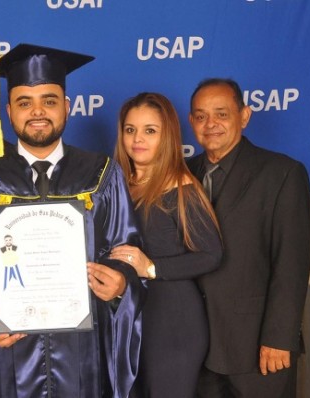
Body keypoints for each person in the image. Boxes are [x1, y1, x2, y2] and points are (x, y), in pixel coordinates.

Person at [0, 43, 145, 398]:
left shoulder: (101, 174)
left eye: (49, 101)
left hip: (82, 353)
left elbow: (126, 250)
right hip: (10, 352)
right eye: (24, 102)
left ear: (66, 106)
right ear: (7, 111)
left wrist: (121, 282)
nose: (37, 112)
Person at [186, 78, 310, 397]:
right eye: (201, 116)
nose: (210, 124)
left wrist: (280, 338)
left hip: (258, 347)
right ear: (191, 122)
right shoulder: (181, 174)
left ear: (244, 116)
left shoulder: (282, 173)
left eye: (221, 114)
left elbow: (291, 265)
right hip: (196, 346)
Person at [109, 92, 222, 397]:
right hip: (129, 319)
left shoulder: (180, 187)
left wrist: (152, 267)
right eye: (130, 129)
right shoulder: (116, 184)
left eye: (150, 130)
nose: (137, 139)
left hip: (173, 322)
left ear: (168, 135)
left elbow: (211, 254)